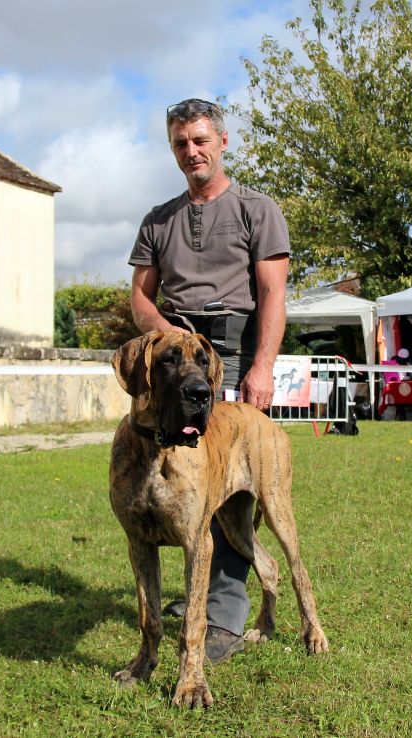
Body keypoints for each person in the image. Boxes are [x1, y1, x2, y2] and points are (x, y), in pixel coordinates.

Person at [127, 98, 290, 664]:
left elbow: (272, 293)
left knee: (228, 480)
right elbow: (141, 297)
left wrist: (262, 367)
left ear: (222, 142)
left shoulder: (257, 209)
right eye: (180, 143)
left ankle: (224, 609)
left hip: (235, 349)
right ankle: (202, 600)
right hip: (177, 360)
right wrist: (165, 336)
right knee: (177, 474)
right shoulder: (158, 218)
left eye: (200, 140)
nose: (190, 152)